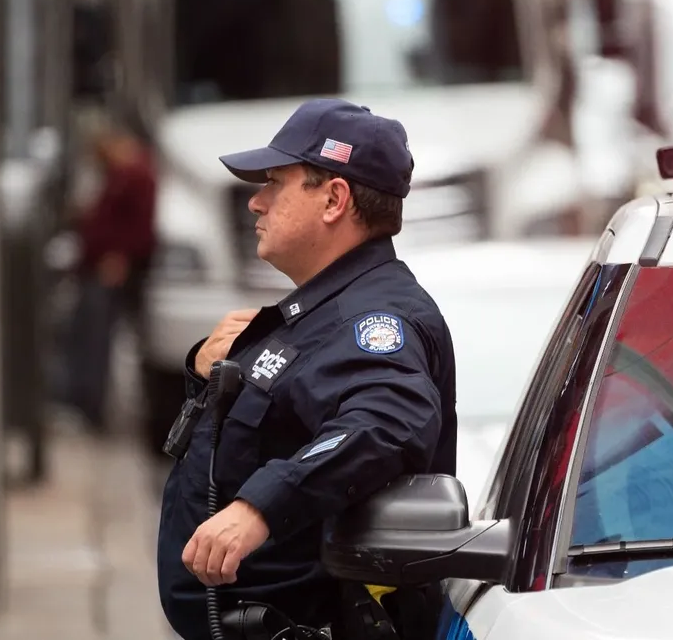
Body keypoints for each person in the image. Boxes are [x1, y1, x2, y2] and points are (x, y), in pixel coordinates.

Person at [156, 98, 458, 640]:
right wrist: (210, 371)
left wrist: (260, 507)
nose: (256, 202)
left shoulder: (373, 319)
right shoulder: (319, 314)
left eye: (275, 182)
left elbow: (388, 419)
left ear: (334, 199)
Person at [60, 120, 157, 434]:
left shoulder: (136, 175)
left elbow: (139, 226)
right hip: (96, 263)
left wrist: (121, 258)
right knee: (86, 333)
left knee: (97, 338)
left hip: (109, 267)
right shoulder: (120, 173)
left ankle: (91, 408)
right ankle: (82, 402)